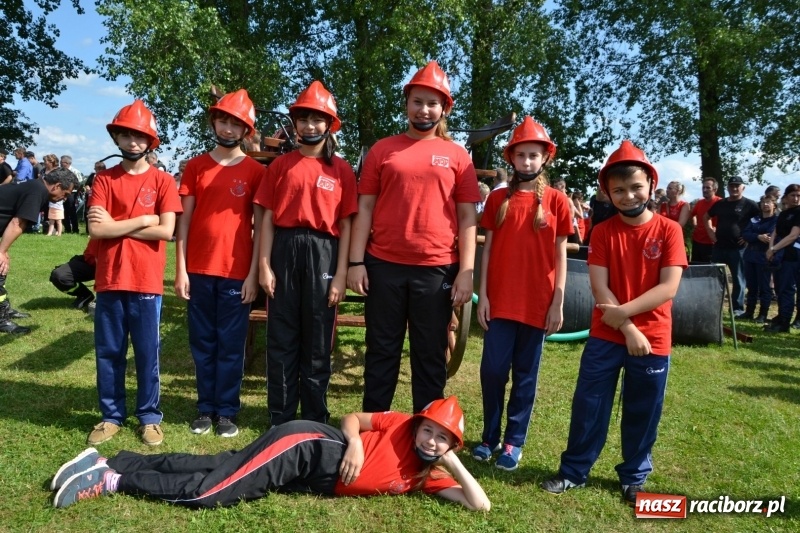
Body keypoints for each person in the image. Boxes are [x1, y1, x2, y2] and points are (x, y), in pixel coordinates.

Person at [540, 140, 686, 506]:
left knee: (642, 410)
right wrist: (627, 327)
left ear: (651, 185)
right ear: (607, 192)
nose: (628, 195)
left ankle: (634, 477)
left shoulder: (670, 230)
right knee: (589, 405)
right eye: (618, 190)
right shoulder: (603, 232)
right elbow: (599, 287)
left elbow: (668, 287)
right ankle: (574, 471)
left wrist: (627, 318)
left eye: (636, 187)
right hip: (608, 335)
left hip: (653, 339)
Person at [51, 396, 490, 512]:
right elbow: (352, 418)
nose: (430, 441)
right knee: (211, 492)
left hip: (303, 473)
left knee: (215, 466)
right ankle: (113, 481)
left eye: (442, 439)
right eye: (429, 430)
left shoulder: (428, 477)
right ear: (418, 424)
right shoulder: (400, 424)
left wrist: (452, 462)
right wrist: (356, 441)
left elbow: (480, 505)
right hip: (306, 448)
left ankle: (116, 461)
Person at [347, 61, 480, 413]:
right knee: (381, 351)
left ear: (444, 108)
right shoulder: (382, 149)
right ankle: (374, 427)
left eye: (432, 103)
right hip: (383, 266)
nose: (424, 109)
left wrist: (467, 271)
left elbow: (468, 217)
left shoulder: (458, 156)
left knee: (430, 354)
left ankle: (427, 431)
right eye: (417, 101)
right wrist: (356, 262)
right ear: (406, 103)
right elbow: (364, 208)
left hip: (437, 269)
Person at [473, 117, 572, 471]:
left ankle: (514, 441)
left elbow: (561, 255)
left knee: (525, 376)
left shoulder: (558, 201)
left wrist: (558, 300)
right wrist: (483, 296)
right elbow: (487, 250)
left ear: (545, 158)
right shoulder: (498, 198)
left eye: (533, 155)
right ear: (511, 158)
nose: (527, 161)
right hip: (500, 302)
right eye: (521, 155)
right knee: (493, 371)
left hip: (537, 303)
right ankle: (489, 437)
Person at [256, 81, 357, 426]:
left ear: (329, 124)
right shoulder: (280, 166)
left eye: (317, 119)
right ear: (295, 123)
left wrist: (341, 274)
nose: (310, 125)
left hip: (324, 252)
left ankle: (315, 416)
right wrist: (264, 265)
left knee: (317, 338)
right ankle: (281, 416)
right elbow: (267, 219)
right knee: (281, 335)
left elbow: (346, 225)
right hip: (284, 249)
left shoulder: (341, 170)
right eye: (303, 119)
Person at [86, 100, 182, 447]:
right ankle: (111, 416)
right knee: (109, 351)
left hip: (146, 280)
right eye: (126, 135)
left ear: (150, 141)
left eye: (140, 136)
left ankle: (149, 416)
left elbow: (166, 231)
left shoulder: (163, 180)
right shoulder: (104, 179)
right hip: (110, 278)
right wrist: (143, 219)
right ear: (117, 138)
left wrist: (116, 224)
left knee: (146, 352)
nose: (132, 142)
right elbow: (97, 230)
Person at [175, 89, 266, 437]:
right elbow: (184, 222)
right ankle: (205, 407)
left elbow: (260, 227)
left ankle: (227, 410)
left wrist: (253, 275)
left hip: (236, 273)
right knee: (202, 343)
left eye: (236, 124)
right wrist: (180, 269)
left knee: (230, 344)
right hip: (198, 270)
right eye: (223, 121)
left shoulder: (256, 171)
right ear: (214, 122)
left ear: (246, 130)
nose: (228, 129)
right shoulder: (196, 166)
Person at [0, 168, 76, 333]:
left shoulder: (35, 187)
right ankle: (1, 319)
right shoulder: (37, 190)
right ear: (57, 186)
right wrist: (1, 251)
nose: (64, 198)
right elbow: (18, 223)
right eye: (65, 193)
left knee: (1, 271)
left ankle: (3, 309)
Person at [704, 176, 760, 316]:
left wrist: (749, 237)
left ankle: (737, 309)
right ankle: (713, 306)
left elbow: (761, 220)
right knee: (714, 278)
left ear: (743, 188)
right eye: (731, 186)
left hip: (738, 249)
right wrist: (710, 232)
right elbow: (706, 217)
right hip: (719, 247)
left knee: (738, 279)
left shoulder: (750, 204)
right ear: (727, 187)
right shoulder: (720, 203)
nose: (734, 188)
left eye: (737, 186)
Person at [764, 184, 800, 332]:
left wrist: (774, 249)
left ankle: (785, 322)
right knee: (780, 288)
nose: (796, 198)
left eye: (798, 196)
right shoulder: (784, 213)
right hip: (781, 256)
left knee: (787, 289)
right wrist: (770, 248)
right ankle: (781, 317)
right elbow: (776, 232)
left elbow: (793, 235)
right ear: (786, 197)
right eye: (793, 195)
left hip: (793, 256)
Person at [740, 196, 778, 323]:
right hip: (750, 256)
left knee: (764, 288)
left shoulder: (776, 221)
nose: (765, 204)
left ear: (774, 205)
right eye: (763, 202)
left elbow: (770, 236)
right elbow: (745, 234)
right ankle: (749, 312)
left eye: (768, 202)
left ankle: (763, 314)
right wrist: (758, 236)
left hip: (764, 257)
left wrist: (755, 236)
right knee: (751, 286)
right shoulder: (754, 219)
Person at [50, 239, 98, 310]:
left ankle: (106, 298)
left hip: (111, 266)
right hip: (90, 261)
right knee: (59, 276)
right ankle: (85, 295)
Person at [689, 177, 721, 263]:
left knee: (709, 268)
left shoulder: (720, 203)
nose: (704, 190)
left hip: (711, 243)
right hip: (697, 241)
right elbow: (692, 214)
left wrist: (717, 228)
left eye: (708, 188)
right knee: (696, 267)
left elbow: (726, 219)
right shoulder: (700, 203)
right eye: (703, 187)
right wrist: (695, 224)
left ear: (715, 189)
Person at [60, 155, 83, 233]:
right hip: (62, 192)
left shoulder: (75, 171)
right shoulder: (60, 171)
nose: (60, 164)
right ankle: (67, 228)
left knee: (71, 211)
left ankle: (75, 229)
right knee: (64, 211)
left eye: (61, 162)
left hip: (72, 193)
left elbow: (80, 183)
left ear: (66, 163)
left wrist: (76, 193)